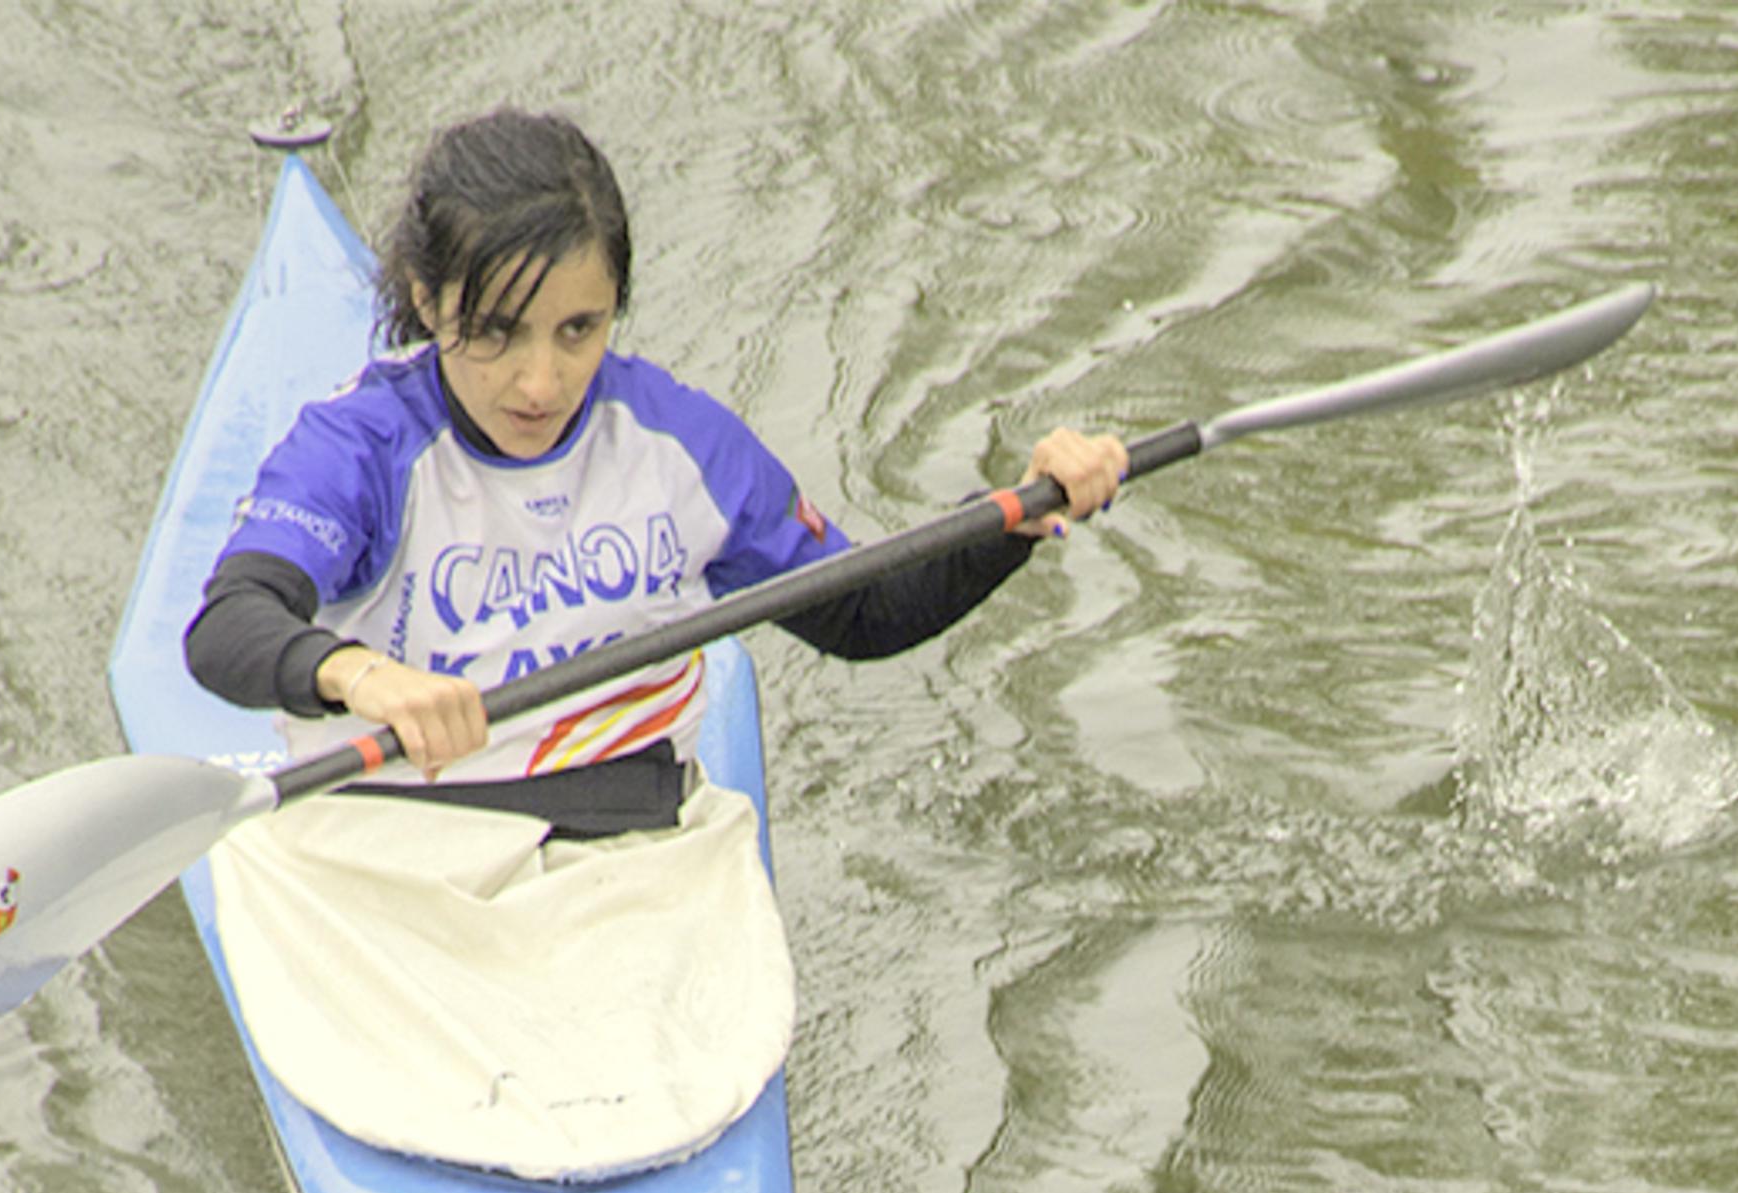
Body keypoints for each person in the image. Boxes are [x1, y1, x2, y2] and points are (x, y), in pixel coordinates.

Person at [183, 107, 1127, 817]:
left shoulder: (679, 442)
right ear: (429, 303)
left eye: (578, 330)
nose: (540, 383)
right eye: (497, 333)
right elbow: (228, 630)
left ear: (614, 310)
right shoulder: (360, 446)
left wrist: (1024, 510)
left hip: (622, 827)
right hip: (394, 820)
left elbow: (863, 613)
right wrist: (363, 677)